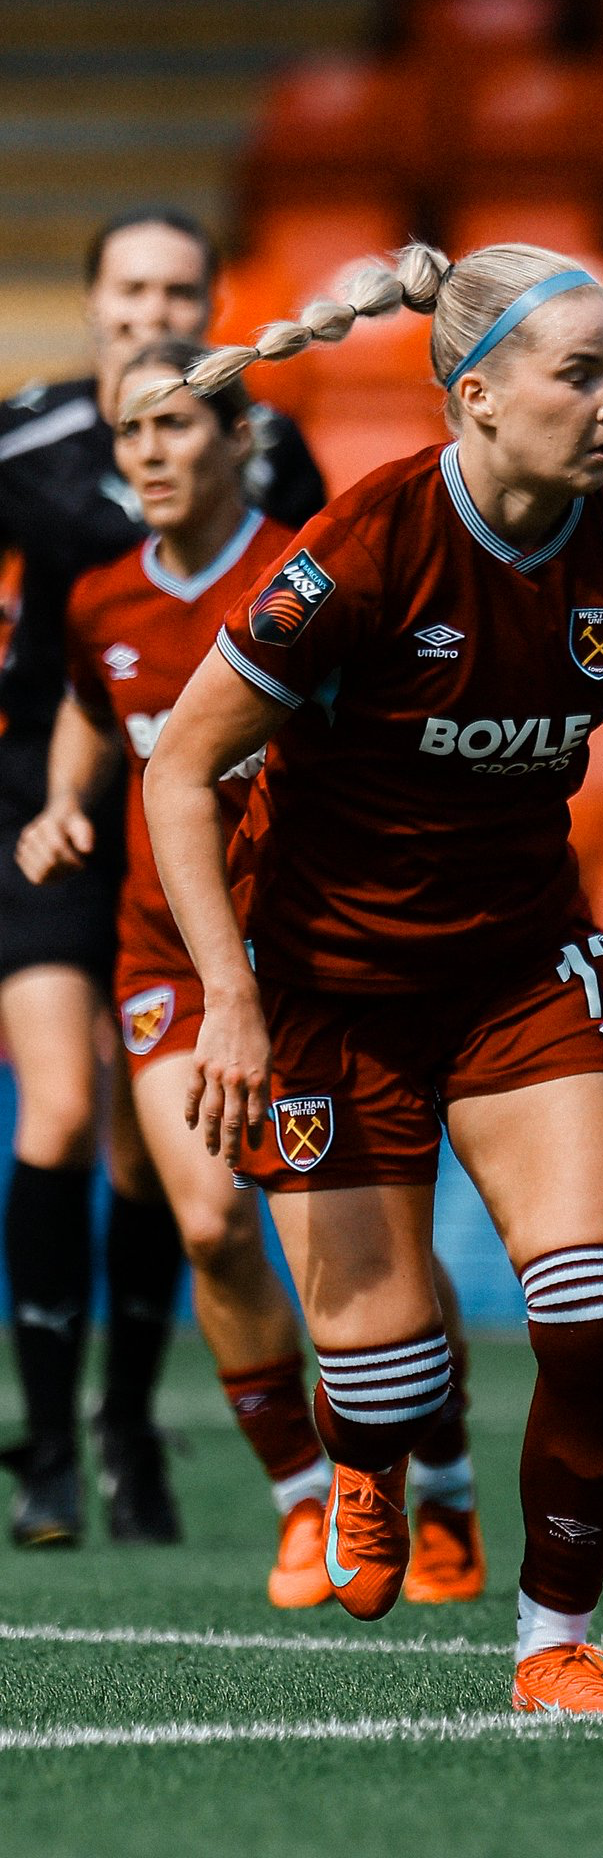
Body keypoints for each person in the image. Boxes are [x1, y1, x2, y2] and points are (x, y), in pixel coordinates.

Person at [141, 240, 603, 1711]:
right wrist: (227, 1006)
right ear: (478, 397)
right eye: (582, 375)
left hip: (519, 970)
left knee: (594, 1316)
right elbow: (181, 771)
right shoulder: (362, 549)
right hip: (324, 983)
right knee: (379, 1363)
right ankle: (362, 1457)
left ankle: (550, 1642)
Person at [15, 338, 482, 1607]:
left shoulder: (307, 571)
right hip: (167, 956)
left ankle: (436, 1475)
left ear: (239, 440)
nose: (148, 454)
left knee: (375, 1251)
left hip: (314, 956)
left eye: (173, 427)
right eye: (129, 432)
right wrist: (65, 801)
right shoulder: (103, 595)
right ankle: (299, 1497)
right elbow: (89, 703)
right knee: (214, 1224)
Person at [0, 210, 326, 1546]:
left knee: (153, 1157)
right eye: (130, 287)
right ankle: (47, 1453)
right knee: (61, 1114)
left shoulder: (270, 443)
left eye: (179, 289)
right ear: (93, 303)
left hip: (192, 820)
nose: (153, 308)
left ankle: (129, 1429)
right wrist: (57, 792)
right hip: (45, 801)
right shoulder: (22, 435)